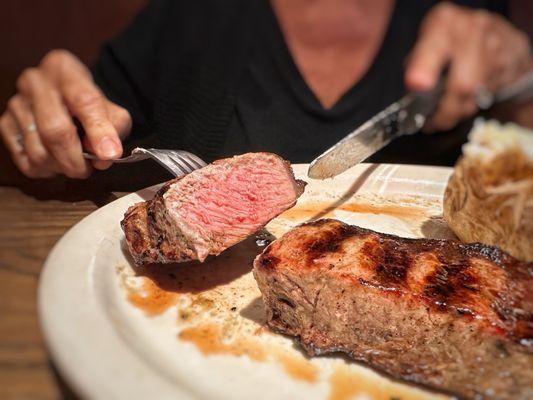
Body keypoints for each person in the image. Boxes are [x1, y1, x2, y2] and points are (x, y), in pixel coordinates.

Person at [0, 0, 530, 179]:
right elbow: (87, 119)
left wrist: (523, 81)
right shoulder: (190, 15)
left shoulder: (467, 13)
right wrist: (56, 121)